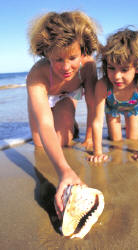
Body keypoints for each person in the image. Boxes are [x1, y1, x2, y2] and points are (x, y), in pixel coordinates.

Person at [26, 11, 100, 212]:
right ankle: (64, 120)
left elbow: (93, 104)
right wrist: (64, 170)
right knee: (40, 145)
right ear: (46, 53)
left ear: (82, 51)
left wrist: (90, 138)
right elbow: (45, 123)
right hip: (45, 97)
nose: (66, 67)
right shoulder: (36, 74)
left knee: (64, 142)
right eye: (58, 59)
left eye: (72, 57)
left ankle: (69, 122)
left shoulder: (88, 66)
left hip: (68, 95)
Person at [88, 27, 138, 164]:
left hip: (132, 108)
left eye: (124, 70)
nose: (116, 76)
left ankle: (128, 124)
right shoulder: (103, 85)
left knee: (132, 138)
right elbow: (97, 121)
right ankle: (119, 125)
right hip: (112, 108)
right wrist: (97, 152)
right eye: (111, 68)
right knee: (116, 140)